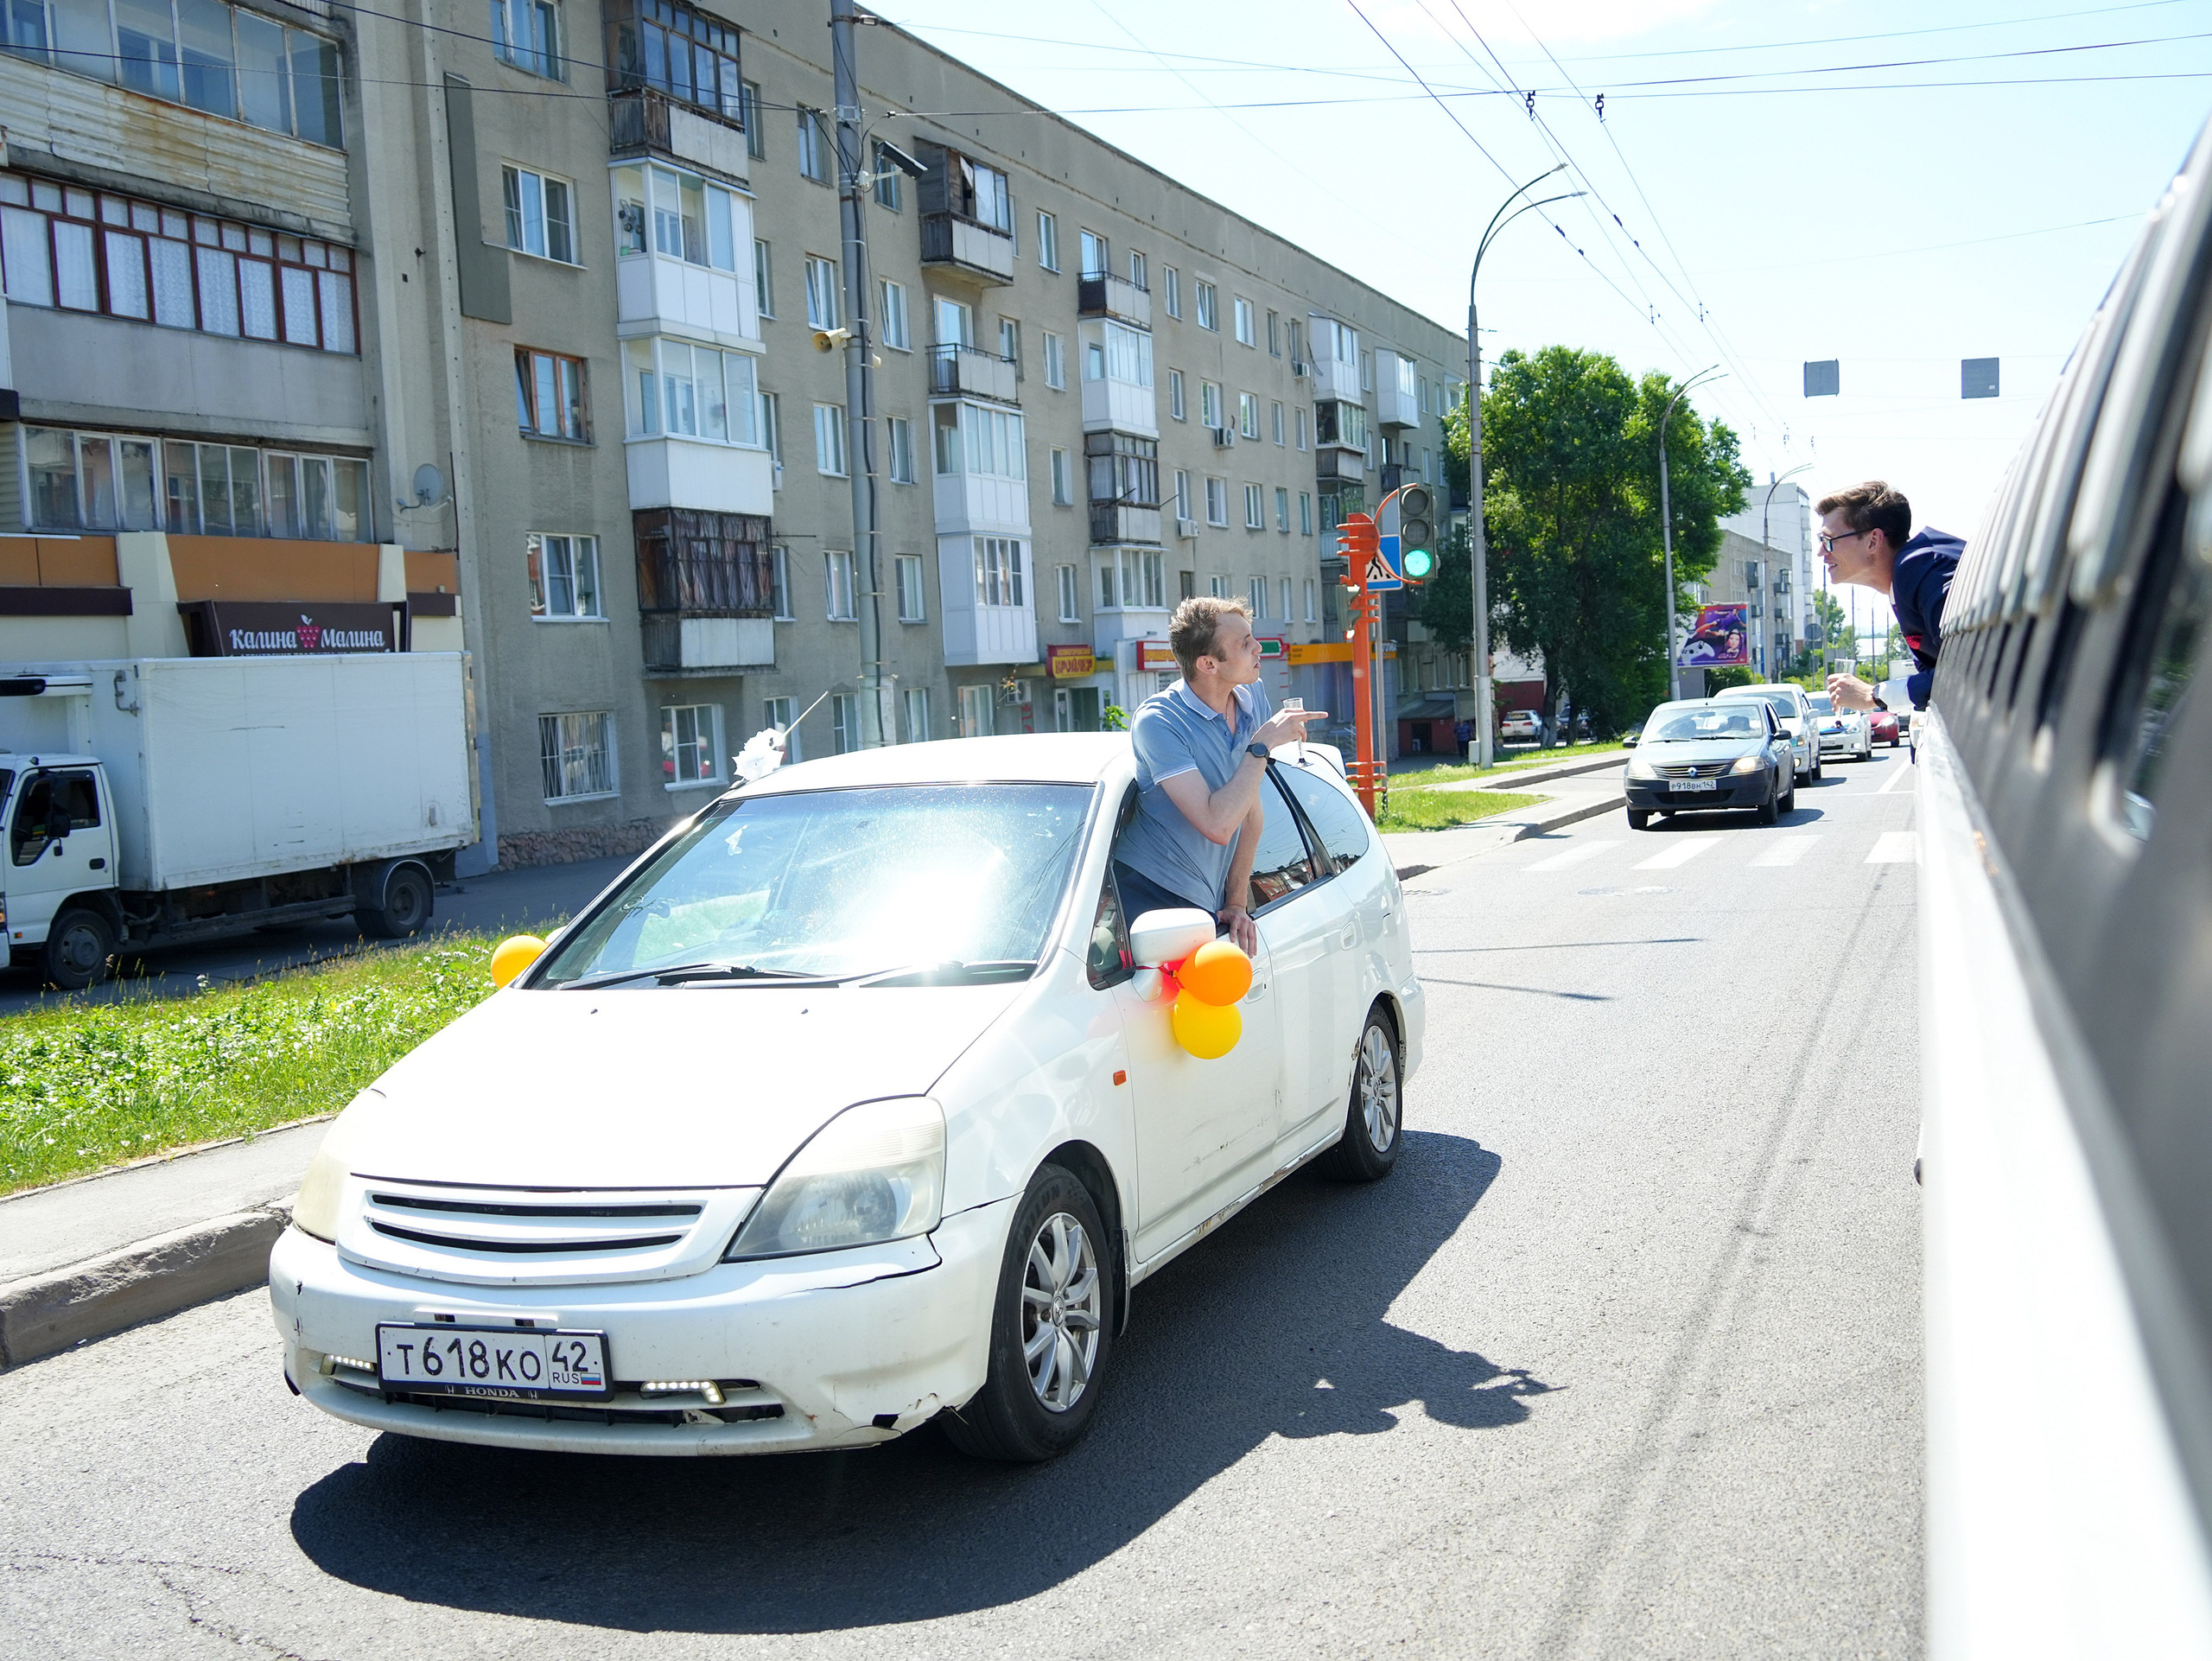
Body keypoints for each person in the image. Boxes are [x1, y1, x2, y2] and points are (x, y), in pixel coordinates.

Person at [1116, 596, 1324, 954]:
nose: (1258, 646)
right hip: (1152, 895)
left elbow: (1250, 812)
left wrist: (1237, 902)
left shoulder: (1251, 695)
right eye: (1244, 643)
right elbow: (1217, 825)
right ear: (1209, 664)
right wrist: (1261, 746)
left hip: (1208, 898)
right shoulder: (1159, 722)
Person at [1815, 480, 1964, 716]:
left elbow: (1968, 670)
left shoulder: (1919, 569)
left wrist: (1873, 695)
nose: (1821, 551)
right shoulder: (1913, 573)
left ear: (1873, 541)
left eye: (1828, 540)